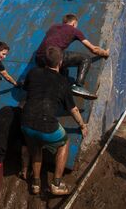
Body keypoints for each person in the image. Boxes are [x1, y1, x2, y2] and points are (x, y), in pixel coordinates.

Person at [22, 46, 88, 195]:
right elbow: (73, 109)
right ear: (61, 63)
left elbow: (27, 89)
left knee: (36, 148)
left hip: (25, 122)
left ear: (45, 61)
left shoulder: (33, 72)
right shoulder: (63, 82)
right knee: (64, 143)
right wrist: (82, 125)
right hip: (46, 124)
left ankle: (36, 184)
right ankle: (56, 184)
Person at [35, 13, 110, 99]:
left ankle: (62, 90)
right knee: (85, 58)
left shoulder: (53, 27)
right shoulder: (74, 30)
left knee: (64, 70)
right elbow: (93, 49)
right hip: (53, 56)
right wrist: (105, 53)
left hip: (38, 60)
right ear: (74, 23)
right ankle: (78, 86)